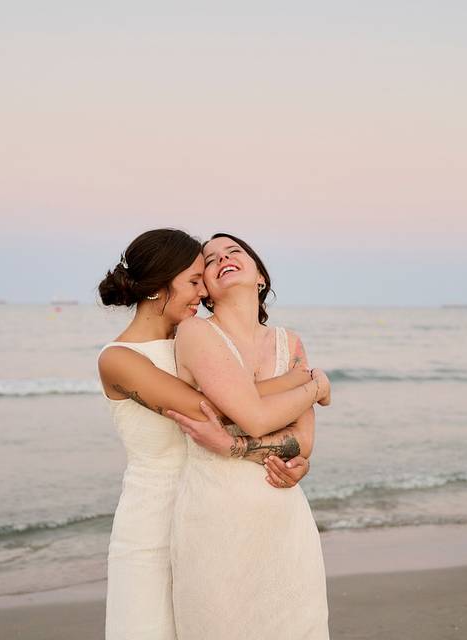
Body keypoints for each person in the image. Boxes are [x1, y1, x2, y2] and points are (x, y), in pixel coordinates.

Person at [96, 228, 331, 640]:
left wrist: (293, 455)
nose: (200, 292)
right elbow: (219, 409)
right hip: (152, 520)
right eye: (193, 281)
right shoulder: (119, 359)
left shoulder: (190, 341)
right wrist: (306, 383)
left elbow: (240, 407)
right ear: (157, 287)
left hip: (207, 504)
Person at [167, 232, 330, 639]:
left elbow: (303, 442)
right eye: (210, 258)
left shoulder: (288, 343)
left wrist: (231, 444)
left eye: (233, 251)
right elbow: (256, 419)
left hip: (284, 519)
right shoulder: (196, 333)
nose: (222, 258)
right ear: (204, 287)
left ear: (259, 275)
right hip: (217, 520)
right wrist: (314, 387)